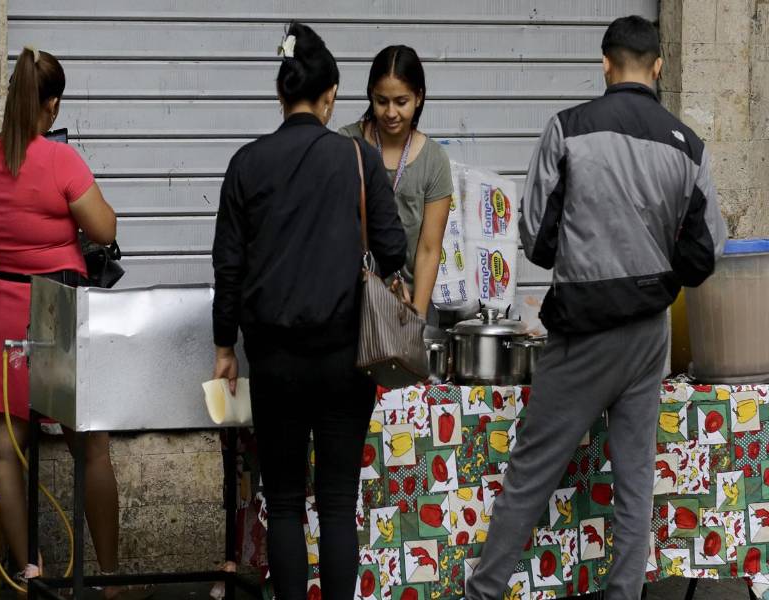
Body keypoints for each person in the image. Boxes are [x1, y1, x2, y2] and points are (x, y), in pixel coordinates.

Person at [466, 16, 726, 600]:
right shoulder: (688, 146)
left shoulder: (568, 129)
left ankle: (483, 592)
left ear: (605, 65)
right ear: (657, 67)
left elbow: (536, 235)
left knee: (531, 475)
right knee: (634, 483)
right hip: (646, 336)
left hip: (581, 334)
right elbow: (705, 253)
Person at [211, 22, 406, 600]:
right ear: (330, 97)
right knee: (340, 501)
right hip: (347, 358)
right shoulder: (356, 158)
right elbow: (393, 250)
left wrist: (226, 347)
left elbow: (228, 268)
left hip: (274, 362)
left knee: (288, 502)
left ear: (281, 95)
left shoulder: (246, 163)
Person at [0, 47, 142, 600]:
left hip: (0, 308)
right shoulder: (61, 161)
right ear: (52, 103)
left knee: (3, 445)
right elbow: (104, 224)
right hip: (57, 311)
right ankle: (110, 583)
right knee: (89, 446)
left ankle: (31, 575)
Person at [339, 45, 451, 317]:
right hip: (353, 303)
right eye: (381, 101)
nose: (390, 113)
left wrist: (418, 318)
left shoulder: (433, 159)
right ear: (370, 96)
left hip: (408, 302)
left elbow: (428, 249)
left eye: (401, 102)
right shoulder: (346, 144)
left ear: (419, 98)